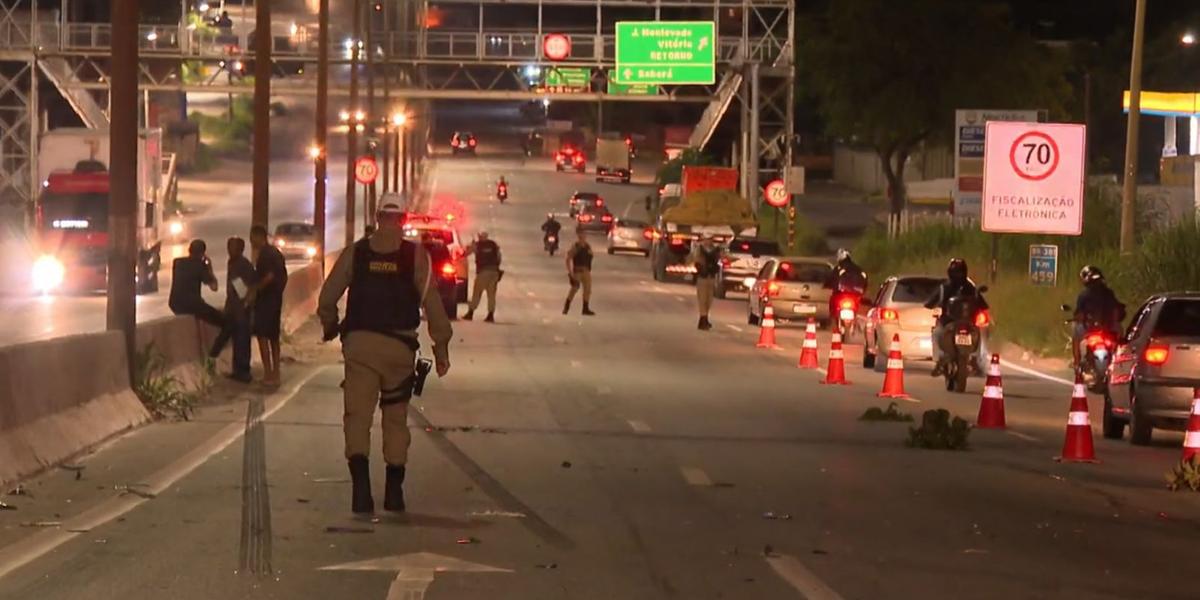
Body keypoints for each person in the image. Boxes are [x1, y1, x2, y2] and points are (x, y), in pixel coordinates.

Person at [317, 203, 452, 514]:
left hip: (360, 347)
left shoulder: (357, 252)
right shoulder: (415, 256)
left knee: (357, 417)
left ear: (377, 219)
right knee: (395, 420)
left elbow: (327, 297)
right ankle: (394, 493)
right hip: (400, 350)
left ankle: (361, 494)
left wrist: (329, 325)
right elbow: (432, 303)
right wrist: (441, 349)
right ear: (403, 221)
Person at [924, 258, 988, 376]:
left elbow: (930, 302)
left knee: (936, 333)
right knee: (979, 334)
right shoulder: (970, 287)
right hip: (966, 323)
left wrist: (929, 305)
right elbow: (983, 305)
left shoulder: (946, 287)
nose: (958, 275)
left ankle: (940, 359)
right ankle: (974, 359)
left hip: (950, 323)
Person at [209, 237, 256, 383]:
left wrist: (242, 304)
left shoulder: (241, 264)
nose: (229, 250)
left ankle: (243, 371)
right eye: (229, 246)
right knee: (237, 339)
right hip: (235, 307)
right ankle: (238, 369)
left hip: (241, 308)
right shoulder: (233, 262)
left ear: (240, 249)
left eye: (233, 247)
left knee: (241, 339)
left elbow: (241, 287)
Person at [247, 225, 288, 386]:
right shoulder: (276, 253)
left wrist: (256, 289)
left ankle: (268, 373)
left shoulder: (265, 254)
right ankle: (275, 372)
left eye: (252, 237)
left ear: (259, 237)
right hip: (275, 299)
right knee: (273, 337)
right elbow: (282, 276)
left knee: (263, 336)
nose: (251, 241)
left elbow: (269, 276)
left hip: (266, 300)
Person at [1071, 265, 1126, 366]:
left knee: (1075, 330)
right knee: (1120, 333)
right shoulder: (1109, 293)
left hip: (1093, 328)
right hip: (1107, 328)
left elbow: (1079, 314)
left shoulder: (1084, 295)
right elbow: (1117, 310)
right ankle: (1119, 360)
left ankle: (1077, 362)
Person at [169, 239, 224, 329]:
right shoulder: (200, 265)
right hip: (193, 304)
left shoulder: (177, 262)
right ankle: (218, 343)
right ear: (203, 253)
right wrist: (209, 267)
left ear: (189, 250)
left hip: (174, 303)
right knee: (223, 320)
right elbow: (214, 287)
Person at [463, 231, 502, 322]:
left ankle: (470, 313)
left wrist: (470, 246)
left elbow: (466, 253)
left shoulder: (477, 245)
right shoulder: (493, 244)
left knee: (477, 293)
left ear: (480, 236)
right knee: (491, 295)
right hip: (494, 272)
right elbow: (499, 257)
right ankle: (490, 315)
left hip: (483, 272)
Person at [689, 234, 722, 330]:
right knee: (702, 299)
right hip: (702, 277)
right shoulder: (699, 250)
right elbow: (694, 259)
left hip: (711, 277)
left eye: (710, 240)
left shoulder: (716, 251)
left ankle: (705, 319)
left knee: (709, 300)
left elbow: (721, 258)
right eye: (706, 240)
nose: (708, 242)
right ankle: (703, 320)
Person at [563, 227, 596, 316]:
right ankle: (566, 307)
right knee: (574, 289)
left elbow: (591, 257)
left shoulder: (587, 246)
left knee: (587, 290)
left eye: (584, 234)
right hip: (577, 271)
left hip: (586, 271)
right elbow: (568, 259)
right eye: (581, 234)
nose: (583, 236)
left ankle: (585, 308)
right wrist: (570, 274)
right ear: (578, 235)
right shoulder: (575, 246)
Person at [829, 248, 868, 319]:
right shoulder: (857, 268)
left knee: (833, 303)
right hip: (856, 294)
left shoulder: (839, 268)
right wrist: (862, 291)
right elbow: (865, 280)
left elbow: (832, 279)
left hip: (843, 294)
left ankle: (834, 320)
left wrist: (828, 286)